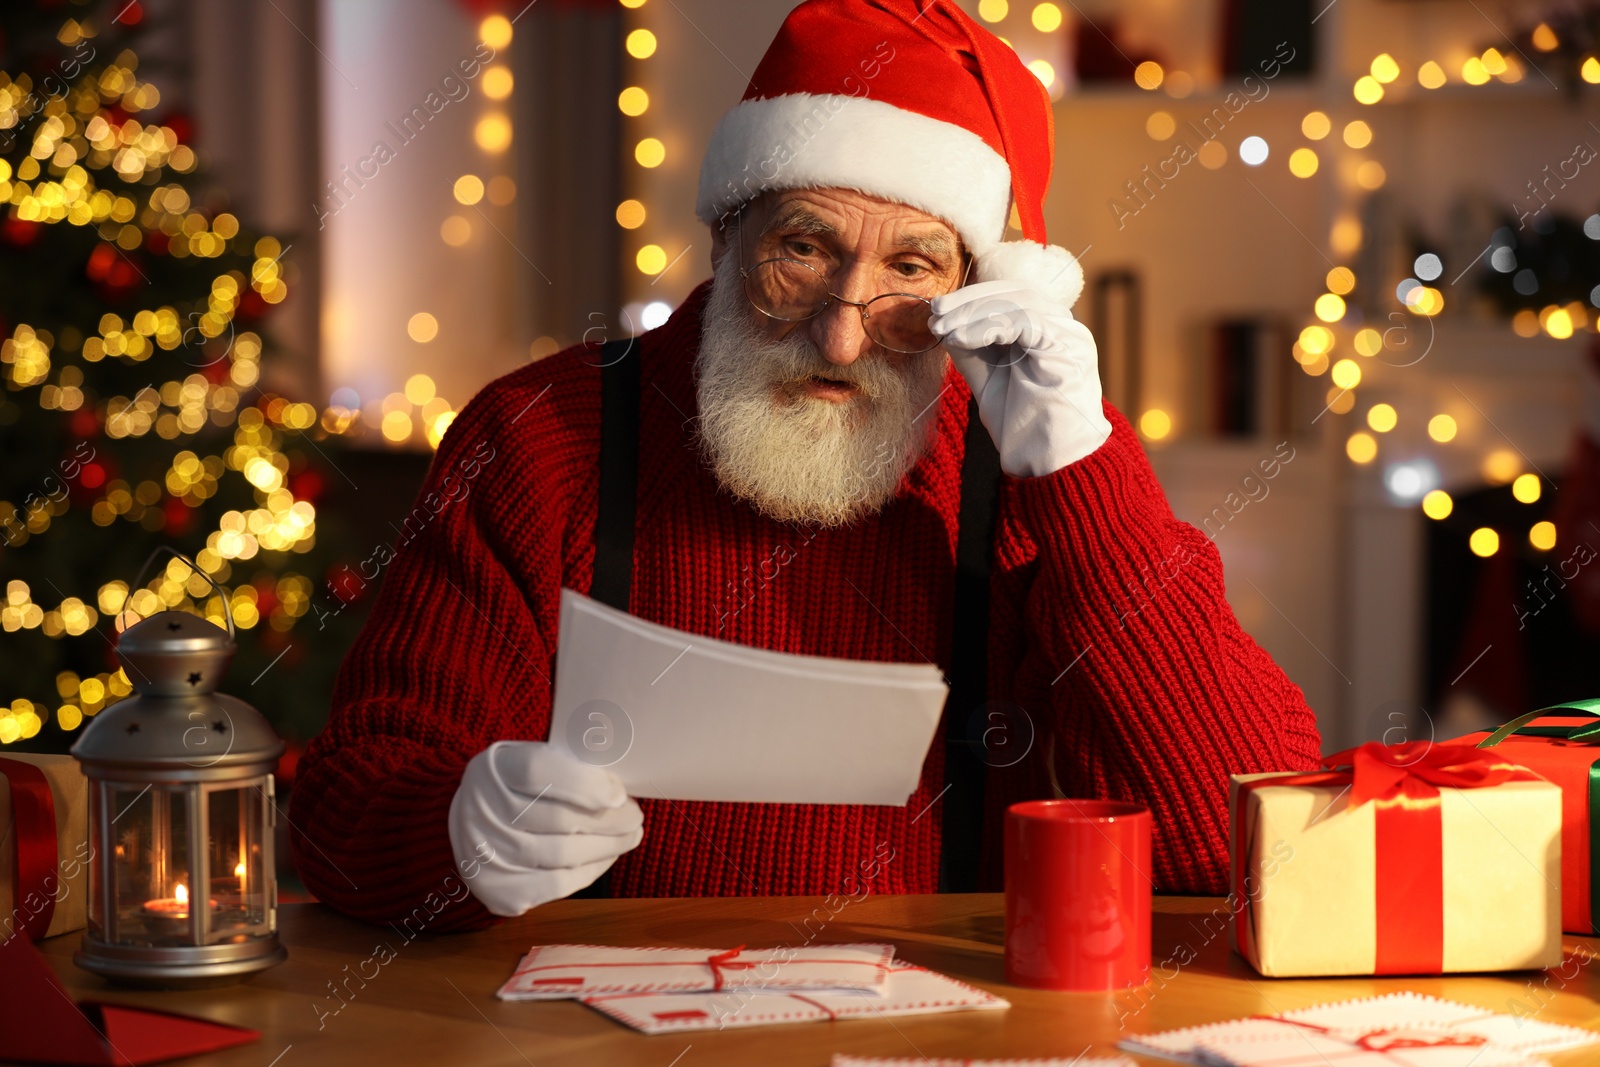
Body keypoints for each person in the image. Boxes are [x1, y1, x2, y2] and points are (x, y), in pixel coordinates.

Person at [288, 0, 1321, 931]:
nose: (840, 335)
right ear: (725, 236)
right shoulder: (537, 438)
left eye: (909, 269)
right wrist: (451, 831)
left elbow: (1244, 845)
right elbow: (341, 813)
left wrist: (1082, 477)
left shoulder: (1029, 459)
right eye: (805, 249)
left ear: (977, 284)